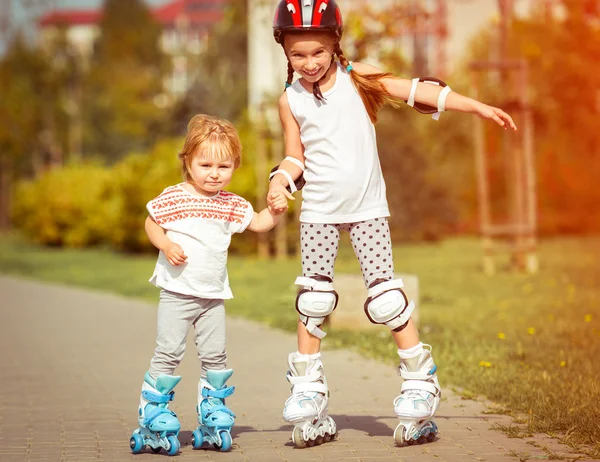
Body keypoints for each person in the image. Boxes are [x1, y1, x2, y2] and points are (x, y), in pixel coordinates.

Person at [266, 0, 517, 449]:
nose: (308, 63)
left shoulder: (357, 78)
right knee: (313, 299)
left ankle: (420, 383)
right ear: (284, 51)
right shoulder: (290, 99)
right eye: (298, 55)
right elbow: (294, 155)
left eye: (318, 52)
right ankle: (307, 394)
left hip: (366, 209)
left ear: (335, 45)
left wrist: (474, 106)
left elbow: (418, 90)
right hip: (318, 212)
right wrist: (280, 180)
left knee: (385, 297)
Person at [129, 114, 288, 456]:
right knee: (169, 352)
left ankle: (212, 411)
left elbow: (260, 223)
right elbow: (151, 223)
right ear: (187, 162)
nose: (214, 173)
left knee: (216, 355)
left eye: (224, 166)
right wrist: (166, 245)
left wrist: (275, 211)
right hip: (177, 294)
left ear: (234, 167)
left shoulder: (230, 204)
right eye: (205, 164)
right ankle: (153, 411)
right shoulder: (175, 197)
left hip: (213, 297)